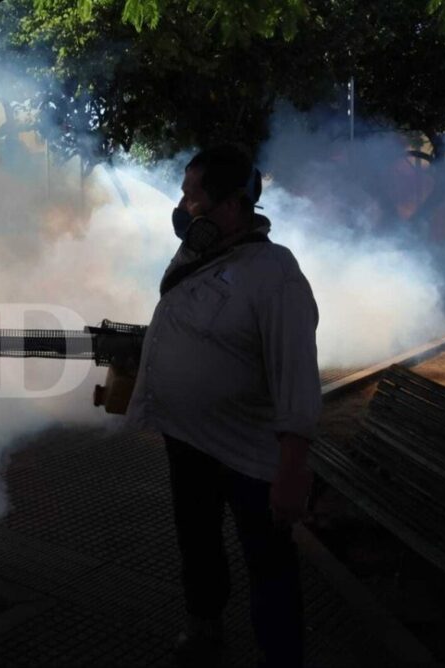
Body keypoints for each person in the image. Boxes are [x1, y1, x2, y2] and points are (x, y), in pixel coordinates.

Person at [127, 144, 321, 668]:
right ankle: (205, 627)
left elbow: (297, 374)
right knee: (198, 544)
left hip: (250, 453)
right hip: (188, 441)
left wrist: (292, 468)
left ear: (232, 206)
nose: (183, 206)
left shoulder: (274, 273)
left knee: (269, 560)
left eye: (193, 196)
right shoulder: (197, 254)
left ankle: (281, 656)